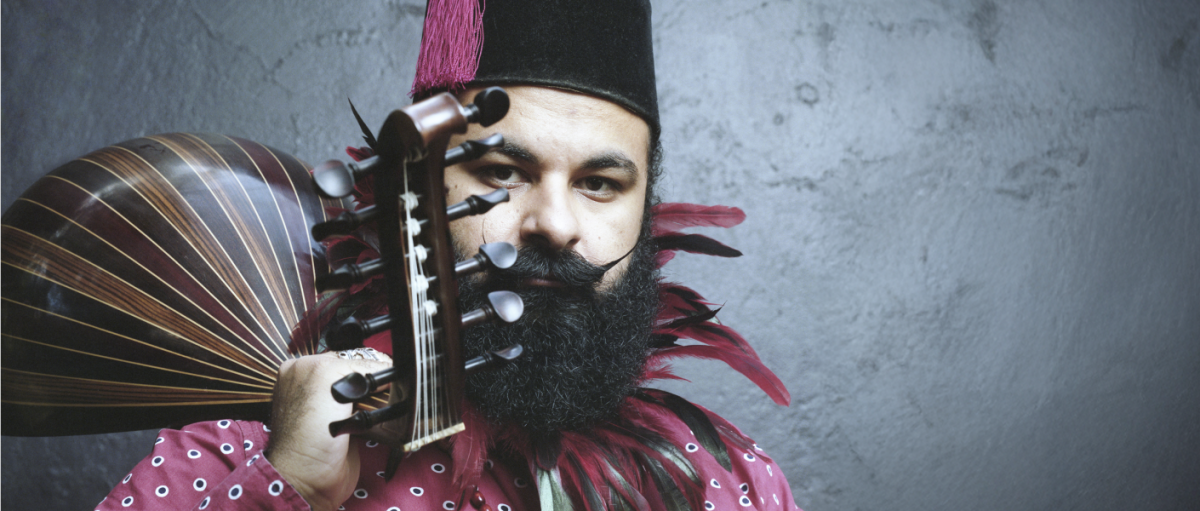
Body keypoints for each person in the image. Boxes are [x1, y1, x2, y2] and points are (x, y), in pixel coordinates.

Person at [97, 1, 800, 510]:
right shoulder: (233, 462)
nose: (553, 223)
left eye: (599, 183)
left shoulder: (733, 484)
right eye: (501, 171)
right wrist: (286, 488)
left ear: (646, 214)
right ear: (421, 188)